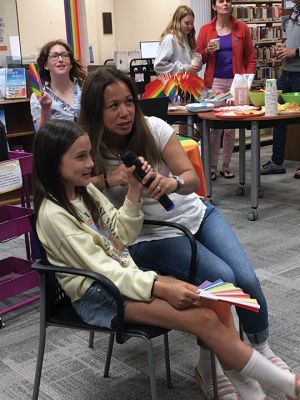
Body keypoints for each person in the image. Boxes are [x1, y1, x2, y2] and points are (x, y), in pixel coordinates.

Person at [33, 119, 300, 400]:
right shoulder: (54, 214)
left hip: (124, 276)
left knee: (217, 300)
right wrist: (160, 286)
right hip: (100, 294)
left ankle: (251, 392)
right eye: (80, 157)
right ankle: (287, 386)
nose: (91, 163)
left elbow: (121, 235)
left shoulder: (85, 191)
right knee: (205, 319)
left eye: (89, 154)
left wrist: (135, 190)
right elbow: (103, 271)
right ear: (53, 162)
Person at [79, 66, 293, 399]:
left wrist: (171, 183)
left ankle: (259, 347)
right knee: (220, 280)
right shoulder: (89, 147)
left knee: (246, 279)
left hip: (197, 214)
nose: (124, 113)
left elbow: (191, 180)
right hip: (150, 236)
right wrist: (111, 180)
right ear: (96, 111)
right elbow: (71, 184)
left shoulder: (153, 128)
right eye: (113, 106)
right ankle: (209, 367)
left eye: (128, 102)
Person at [196, 0, 256, 180]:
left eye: (228, 1)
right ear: (214, 6)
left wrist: (247, 79)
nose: (226, 4)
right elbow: (199, 57)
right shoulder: (206, 30)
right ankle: (212, 166)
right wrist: (207, 51)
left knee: (231, 127)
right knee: (215, 127)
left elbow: (251, 57)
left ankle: (226, 165)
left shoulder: (242, 28)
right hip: (214, 82)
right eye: (221, 1)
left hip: (237, 82)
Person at [261, 0, 300, 179]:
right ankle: (277, 162)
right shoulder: (293, 13)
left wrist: (296, 52)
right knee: (276, 113)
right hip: (286, 73)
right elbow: (291, 41)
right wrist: (282, 48)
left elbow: (296, 48)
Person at [30, 39, 86, 129]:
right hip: (58, 143)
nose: (60, 59)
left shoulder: (84, 88)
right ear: (46, 65)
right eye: (54, 56)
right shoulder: (39, 96)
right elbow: (42, 134)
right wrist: (45, 108)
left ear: (71, 64)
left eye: (65, 55)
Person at [154, 5, 202, 76]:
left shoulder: (188, 38)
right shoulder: (170, 38)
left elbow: (191, 65)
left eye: (192, 23)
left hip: (189, 82)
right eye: (187, 23)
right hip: (176, 84)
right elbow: (159, 66)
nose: (190, 26)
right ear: (177, 21)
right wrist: (185, 68)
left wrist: (197, 62)